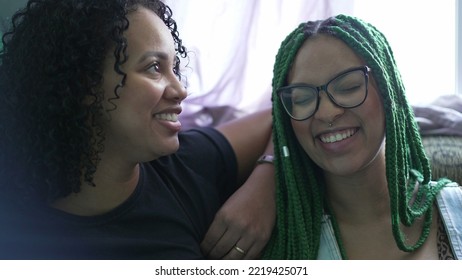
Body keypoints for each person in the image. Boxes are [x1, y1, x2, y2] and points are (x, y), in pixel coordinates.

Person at [0, 0, 275, 259]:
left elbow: (278, 118)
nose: (181, 90)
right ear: (85, 84)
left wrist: (265, 186)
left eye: (175, 68)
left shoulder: (185, 168)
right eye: (154, 67)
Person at [261, 14, 462, 260]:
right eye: (302, 98)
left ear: (390, 91)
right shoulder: (285, 245)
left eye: (349, 87)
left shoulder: (455, 210)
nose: (327, 113)